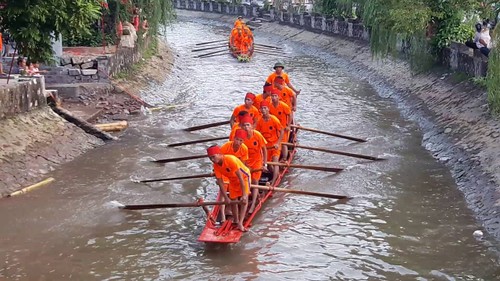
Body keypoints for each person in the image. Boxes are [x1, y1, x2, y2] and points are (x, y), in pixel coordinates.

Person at [207, 145, 250, 232]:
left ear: (219, 154)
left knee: (244, 201)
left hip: (244, 177)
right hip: (232, 179)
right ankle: (236, 220)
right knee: (233, 199)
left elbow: (241, 178)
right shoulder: (216, 165)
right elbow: (220, 183)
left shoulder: (230, 160)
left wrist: (244, 195)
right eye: (210, 158)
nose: (212, 159)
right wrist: (226, 198)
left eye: (213, 157)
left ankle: (240, 224)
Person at [219, 129, 249, 222]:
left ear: (243, 141)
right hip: (225, 171)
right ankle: (223, 216)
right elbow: (218, 161)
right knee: (223, 188)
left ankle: (238, 217)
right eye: (237, 139)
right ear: (233, 138)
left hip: (238, 172)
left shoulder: (244, 148)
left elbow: (242, 166)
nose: (238, 142)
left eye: (241, 140)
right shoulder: (225, 147)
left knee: (240, 192)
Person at [240, 115, 268, 213]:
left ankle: (252, 205)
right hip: (245, 163)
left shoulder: (257, 135)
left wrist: (265, 164)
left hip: (257, 161)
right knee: (245, 182)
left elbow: (264, 149)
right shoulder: (241, 138)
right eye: (244, 126)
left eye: (248, 125)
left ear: (252, 126)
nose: (246, 127)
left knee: (255, 182)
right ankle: (244, 200)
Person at [255, 100, 284, 186]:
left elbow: (281, 131)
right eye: (262, 108)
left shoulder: (274, 119)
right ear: (260, 110)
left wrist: (278, 143)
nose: (263, 110)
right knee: (268, 166)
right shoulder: (259, 121)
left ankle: (273, 181)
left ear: (268, 109)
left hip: (275, 145)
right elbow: (258, 135)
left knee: (275, 161)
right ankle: (275, 174)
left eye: (265, 108)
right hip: (266, 147)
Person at [269, 89, 292, 160]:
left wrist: (288, 126)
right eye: (272, 96)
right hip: (273, 128)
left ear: (278, 97)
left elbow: (290, 115)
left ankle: (284, 158)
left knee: (283, 143)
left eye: (275, 96)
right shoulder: (269, 106)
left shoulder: (284, 106)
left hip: (283, 128)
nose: (274, 97)